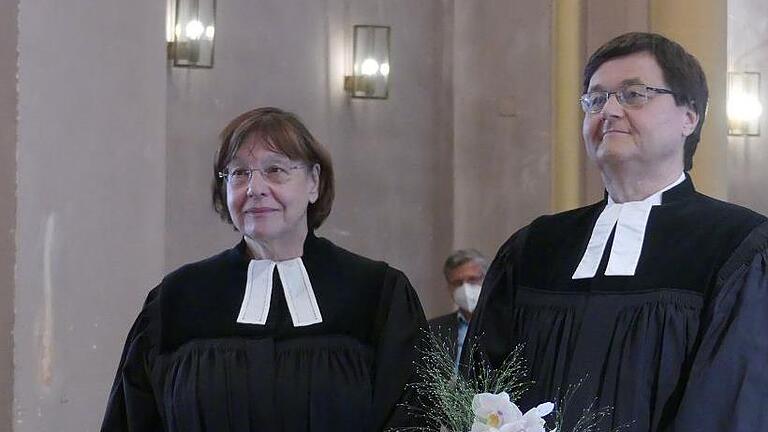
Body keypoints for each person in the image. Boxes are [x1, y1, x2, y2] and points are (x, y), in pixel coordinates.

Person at [464, 32, 768, 431]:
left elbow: (729, 407)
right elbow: (477, 392)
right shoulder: (534, 247)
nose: (608, 110)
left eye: (633, 94)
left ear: (689, 116)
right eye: (595, 98)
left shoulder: (736, 246)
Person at [101, 107, 428, 432]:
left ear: (314, 182)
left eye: (275, 170)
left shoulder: (376, 295)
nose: (254, 188)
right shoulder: (177, 300)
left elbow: (414, 420)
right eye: (239, 173)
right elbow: (133, 420)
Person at [428, 249, 488, 370]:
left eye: (472, 279)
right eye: (458, 283)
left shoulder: (507, 325)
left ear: (487, 280)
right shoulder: (433, 330)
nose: (465, 288)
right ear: (449, 287)